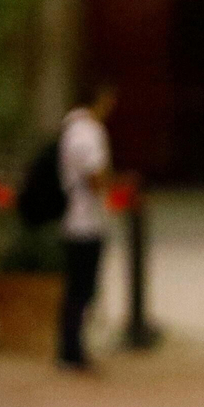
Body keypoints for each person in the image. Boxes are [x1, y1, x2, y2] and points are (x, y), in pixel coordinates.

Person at [57, 81, 118, 372]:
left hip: (77, 217)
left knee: (77, 286)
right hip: (86, 219)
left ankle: (71, 345)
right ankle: (72, 348)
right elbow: (95, 175)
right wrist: (107, 187)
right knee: (82, 287)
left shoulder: (71, 129)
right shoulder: (87, 132)